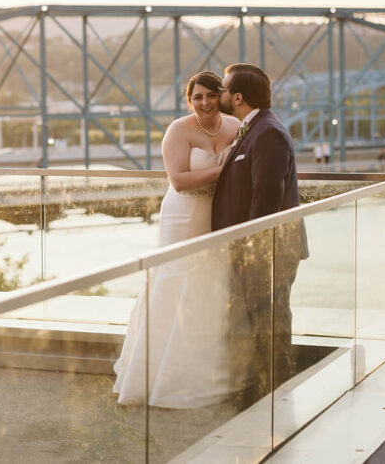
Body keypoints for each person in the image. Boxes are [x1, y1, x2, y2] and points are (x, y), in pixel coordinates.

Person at [113, 71, 242, 408]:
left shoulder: (234, 127)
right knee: (173, 281)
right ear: (189, 101)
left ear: (221, 96)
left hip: (217, 215)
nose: (204, 103)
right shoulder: (178, 130)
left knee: (207, 286)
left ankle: (205, 372)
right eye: (197, 97)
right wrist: (225, 169)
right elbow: (180, 181)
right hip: (183, 215)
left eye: (211, 96)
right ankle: (154, 377)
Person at [212, 63, 308, 410]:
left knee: (271, 319)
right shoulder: (255, 128)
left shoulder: (267, 133)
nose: (220, 95)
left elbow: (265, 197)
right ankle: (260, 393)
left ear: (237, 98)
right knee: (258, 317)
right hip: (261, 246)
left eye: (222, 90)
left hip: (269, 248)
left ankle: (276, 395)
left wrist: (251, 249)